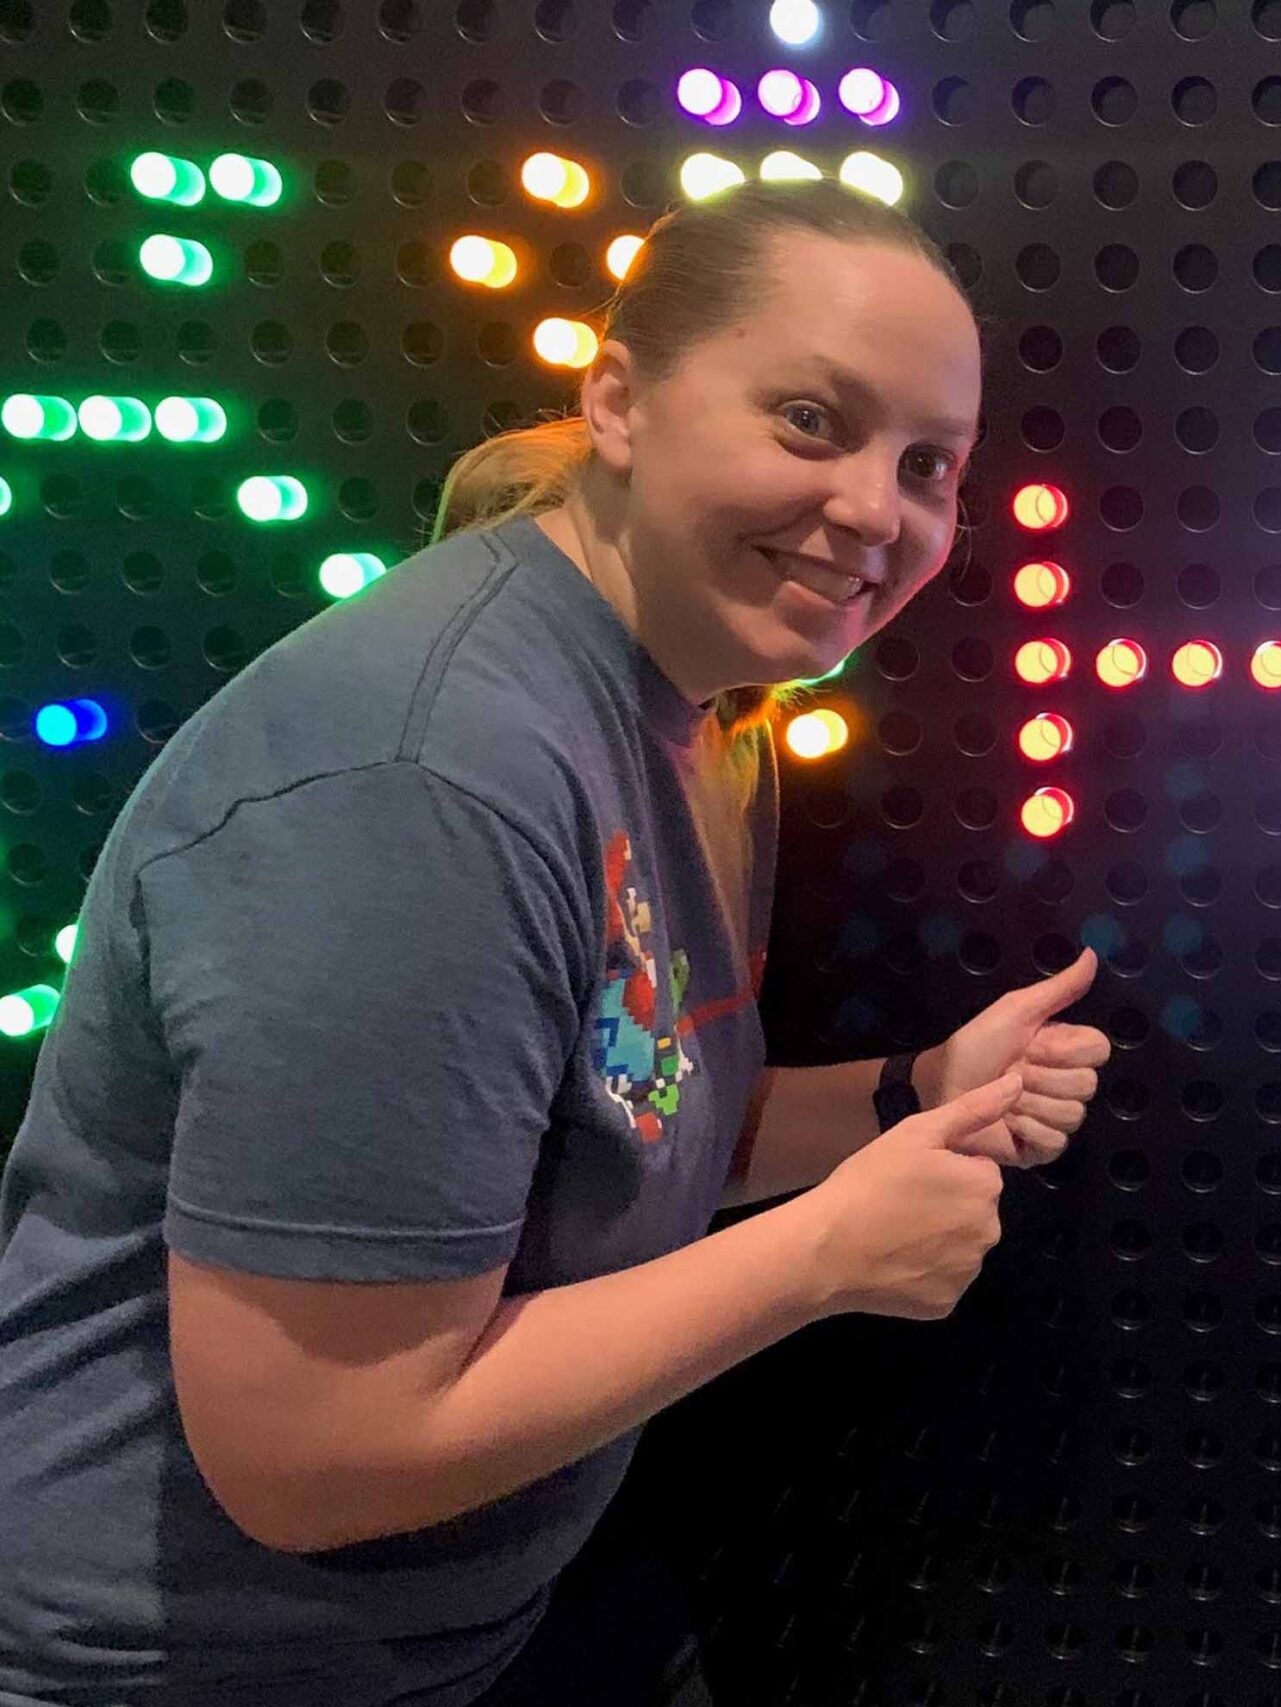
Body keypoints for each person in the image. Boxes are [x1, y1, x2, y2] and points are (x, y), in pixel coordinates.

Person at [0, 178, 1109, 1706]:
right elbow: (315, 1454)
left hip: (470, 1611)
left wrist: (909, 1095)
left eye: (928, 464)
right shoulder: (428, 783)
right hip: (206, 1668)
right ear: (618, 400)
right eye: (810, 420)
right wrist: (822, 1258)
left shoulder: (705, 716)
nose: (875, 509)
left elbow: (604, 1129)